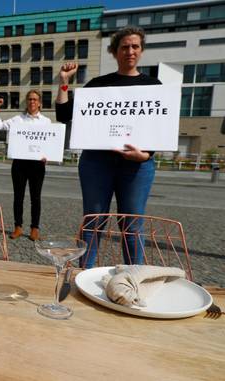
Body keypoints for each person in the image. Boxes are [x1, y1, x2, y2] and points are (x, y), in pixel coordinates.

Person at [55, 26, 161, 268]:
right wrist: (63, 82)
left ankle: (134, 276)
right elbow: (63, 114)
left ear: (142, 51)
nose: (130, 51)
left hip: (137, 164)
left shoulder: (154, 86)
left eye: (135, 46)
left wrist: (146, 155)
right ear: (115, 51)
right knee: (93, 220)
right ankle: (84, 273)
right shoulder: (98, 85)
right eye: (125, 47)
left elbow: (158, 127)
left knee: (132, 223)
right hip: (97, 161)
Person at [0, 90, 51, 241]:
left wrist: (48, 155)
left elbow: (50, 143)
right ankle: (18, 226)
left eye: (35, 99)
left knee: (35, 198)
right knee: (18, 197)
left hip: (37, 164)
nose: (32, 102)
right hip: (19, 164)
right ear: (27, 101)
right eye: (30, 99)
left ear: (39, 103)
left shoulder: (46, 121)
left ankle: (34, 228)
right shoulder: (17, 119)